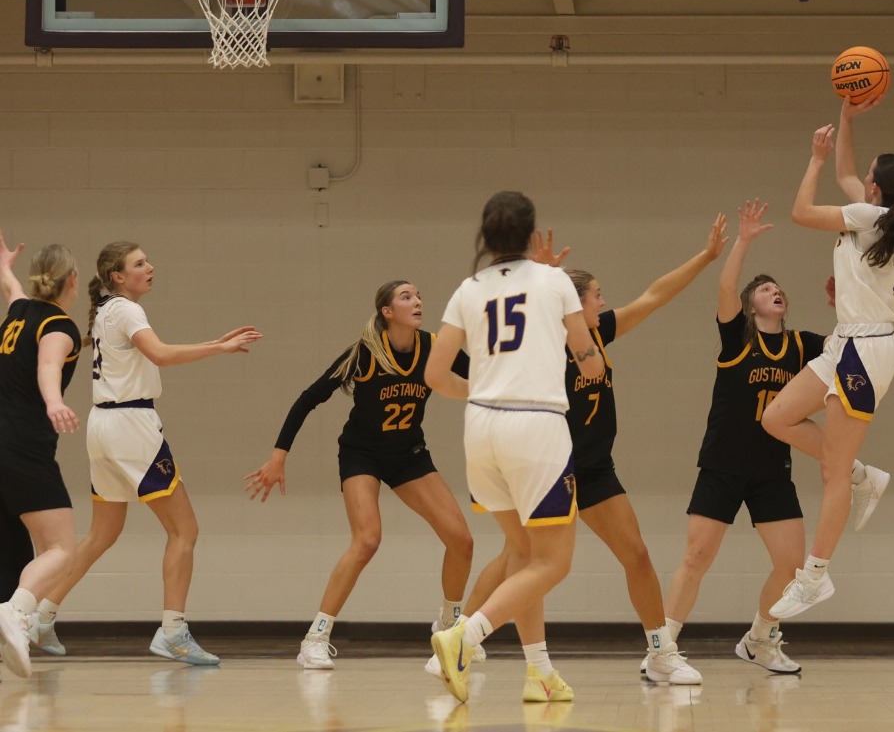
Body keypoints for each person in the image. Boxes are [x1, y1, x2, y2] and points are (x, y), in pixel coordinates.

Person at [444, 216, 726, 688]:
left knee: (636, 554)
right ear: (573, 301)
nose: (604, 302)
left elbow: (654, 296)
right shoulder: (540, 341)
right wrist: (540, 279)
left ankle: (660, 652)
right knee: (521, 558)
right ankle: (460, 641)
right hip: (549, 463)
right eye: (597, 295)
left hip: (594, 468)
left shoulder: (596, 335)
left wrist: (706, 257)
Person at [40, 242, 261, 665]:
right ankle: (173, 631)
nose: (150, 267)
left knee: (102, 534)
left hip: (103, 425)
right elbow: (159, 353)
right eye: (140, 263)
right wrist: (219, 348)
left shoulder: (106, 310)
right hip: (131, 426)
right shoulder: (126, 310)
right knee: (184, 530)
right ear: (118, 276)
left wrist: (214, 342)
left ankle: (42, 614)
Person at [426, 191, 604, 705]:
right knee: (554, 562)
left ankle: (539, 672)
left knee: (524, 555)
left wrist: (480, 391)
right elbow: (589, 362)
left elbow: (435, 374)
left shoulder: (468, 289)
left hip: (480, 426)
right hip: (536, 427)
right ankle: (465, 636)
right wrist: (583, 349)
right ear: (531, 234)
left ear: (486, 235)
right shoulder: (555, 281)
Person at [244, 280, 476, 669]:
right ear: (387, 311)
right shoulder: (364, 353)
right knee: (367, 540)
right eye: (406, 297)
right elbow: (309, 398)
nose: (417, 301)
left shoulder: (435, 346)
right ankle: (315, 637)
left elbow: (484, 376)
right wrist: (278, 456)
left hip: (409, 455)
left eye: (418, 295)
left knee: (462, 540)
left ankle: (450, 626)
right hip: (362, 454)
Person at [761, 99, 894, 619]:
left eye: (869, 176)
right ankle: (862, 475)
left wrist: (814, 157)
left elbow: (801, 212)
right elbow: (849, 173)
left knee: (830, 472)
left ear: (876, 189)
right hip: (847, 340)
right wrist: (848, 119)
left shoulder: (871, 217)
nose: (861, 179)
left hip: (866, 349)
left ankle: (815, 576)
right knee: (776, 417)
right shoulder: (887, 219)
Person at [664, 199, 823, 675]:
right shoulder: (739, 340)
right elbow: (725, 287)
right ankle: (661, 649)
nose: (776, 292)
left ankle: (760, 639)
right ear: (752, 305)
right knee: (696, 557)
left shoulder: (802, 345)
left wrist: (847, 301)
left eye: (779, 289)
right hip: (724, 463)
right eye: (766, 289)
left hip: (772, 468)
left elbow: (850, 345)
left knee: (792, 567)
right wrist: (745, 240)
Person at [0, 233, 83, 679]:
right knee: (61, 549)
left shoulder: (19, 312)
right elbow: (48, 365)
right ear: (72, 280)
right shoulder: (60, 326)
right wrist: (53, 402)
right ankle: (15, 613)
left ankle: (6, 632)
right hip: (24, 444)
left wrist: (4, 267)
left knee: (12, 551)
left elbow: (11, 290)